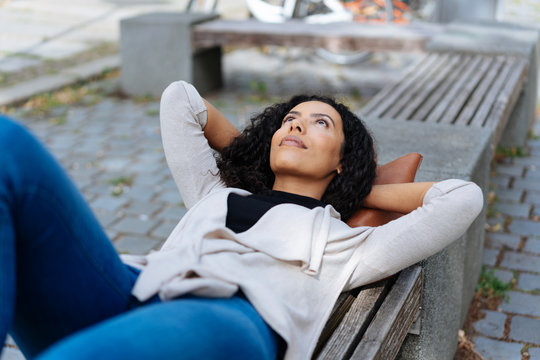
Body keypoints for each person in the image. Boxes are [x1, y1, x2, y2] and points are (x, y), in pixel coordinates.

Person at [0, 80, 483, 360]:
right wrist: (257, 156)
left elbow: (461, 199)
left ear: (343, 161)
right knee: (9, 145)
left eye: (320, 123)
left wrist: (356, 189)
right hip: (136, 287)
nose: (296, 124)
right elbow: (181, 99)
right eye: (289, 119)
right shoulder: (214, 192)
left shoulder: (345, 242)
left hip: (232, 320)